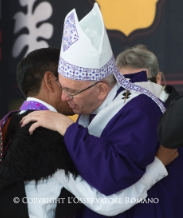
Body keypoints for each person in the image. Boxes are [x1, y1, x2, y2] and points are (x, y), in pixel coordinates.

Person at [21, 4, 183, 218]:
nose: (63, 98)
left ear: (101, 89)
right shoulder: (92, 107)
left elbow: (112, 178)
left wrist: (66, 127)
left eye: (71, 91)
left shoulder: (140, 108)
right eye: (62, 87)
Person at [0, 47, 174, 218]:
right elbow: (105, 203)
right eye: (66, 87)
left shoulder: (9, 124)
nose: (66, 97)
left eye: (71, 89)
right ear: (49, 82)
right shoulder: (49, 133)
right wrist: (158, 165)